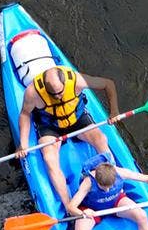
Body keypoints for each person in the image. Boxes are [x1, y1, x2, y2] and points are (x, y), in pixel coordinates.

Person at [14, 66, 119, 200]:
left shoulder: (77, 80)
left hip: (76, 118)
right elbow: (25, 114)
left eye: (60, 92)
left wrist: (114, 111)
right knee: (49, 158)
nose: (58, 96)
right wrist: (23, 143)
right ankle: (68, 203)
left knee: (101, 140)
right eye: (54, 94)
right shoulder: (32, 93)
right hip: (50, 125)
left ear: (64, 83)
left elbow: (108, 84)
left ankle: (113, 182)